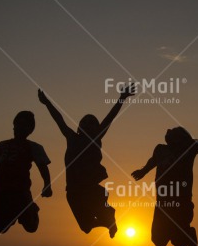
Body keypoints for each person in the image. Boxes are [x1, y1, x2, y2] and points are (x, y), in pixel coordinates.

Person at [38, 85, 135, 238]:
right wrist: (47, 103)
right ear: (79, 127)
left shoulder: (96, 139)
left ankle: (108, 214)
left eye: (92, 123)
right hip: (72, 190)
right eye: (85, 122)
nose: (88, 125)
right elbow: (59, 120)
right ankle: (108, 221)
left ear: (97, 128)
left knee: (96, 215)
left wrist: (121, 99)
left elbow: (110, 118)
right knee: (86, 227)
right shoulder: (72, 138)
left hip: (91, 190)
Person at [132, 127, 198, 246]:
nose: (171, 134)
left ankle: (189, 234)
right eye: (171, 134)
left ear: (183, 138)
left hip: (182, 200)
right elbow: (153, 161)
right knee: (158, 240)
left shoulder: (190, 146)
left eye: (176, 134)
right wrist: (143, 171)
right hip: (163, 201)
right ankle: (183, 236)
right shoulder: (160, 149)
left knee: (179, 240)